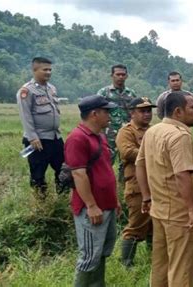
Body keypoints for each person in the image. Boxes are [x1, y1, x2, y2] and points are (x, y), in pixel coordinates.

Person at [136, 91, 193, 286]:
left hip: (159, 209)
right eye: (192, 107)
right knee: (182, 267)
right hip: (180, 214)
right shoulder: (179, 136)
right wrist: (192, 209)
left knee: (161, 264)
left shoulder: (153, 131)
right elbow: (182, 174)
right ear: (178, 111)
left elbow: (140, 164)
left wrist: (147, 197)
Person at [64, 95, 121, 286]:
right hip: (92, 207)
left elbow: (104, 168)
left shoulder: (100, 137)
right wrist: (91, 205)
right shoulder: (77, 138)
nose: (110, 116)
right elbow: (79, 175)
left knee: (102, 251)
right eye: (106, 112)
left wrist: (115, 201)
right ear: (94, 114)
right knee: (89, 256)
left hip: (107, 204)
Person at [115, 97, 156, 267]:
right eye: (142, 111)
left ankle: (154, 259)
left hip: (156, 183)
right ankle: (127, 263)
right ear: (132, 113)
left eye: (149, 110)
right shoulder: (126, 131)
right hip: (137, 185)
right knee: (136, 224)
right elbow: (128, 153)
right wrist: (154, 154)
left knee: (154, 224)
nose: (147, 114)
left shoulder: (154, 130)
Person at [17, 57, 64, 199]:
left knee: (63, 170)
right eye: (45, 69)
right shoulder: (26, 91)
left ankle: (62, 198)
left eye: (50, 69)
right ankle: (41, 205)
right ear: (35, 70)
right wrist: (32, 137)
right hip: (38, 140)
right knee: (38, 174)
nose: (48, 72)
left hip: (55, 137)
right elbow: (25, 116)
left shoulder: (52, 88)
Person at [97, 64, 137, 162]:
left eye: (123, 75)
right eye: (118, 74)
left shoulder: (131, 94)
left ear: (126, 76)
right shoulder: (104, 93)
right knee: (106, 161)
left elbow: (136, 113)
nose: (120, 77)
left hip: (127, 132)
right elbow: (97, 112)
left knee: (126, 161)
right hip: (109, 132)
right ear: (112, 75)